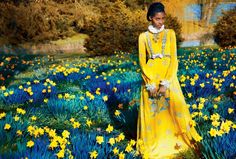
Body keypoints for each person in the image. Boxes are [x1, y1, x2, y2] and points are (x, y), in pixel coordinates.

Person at [136, 2, 202, 159]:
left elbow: (174, 59)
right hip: (151, 76)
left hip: (168, 75)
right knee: (153, 110)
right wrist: (150, 83)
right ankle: (154, 144)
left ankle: (178, 142)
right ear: (150, 18)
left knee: (174, 106)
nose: (161, 22)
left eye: (163, 19)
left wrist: (166, 82)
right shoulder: (143, 37)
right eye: (157, 19)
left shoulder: (170, 34)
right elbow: (142, 61)